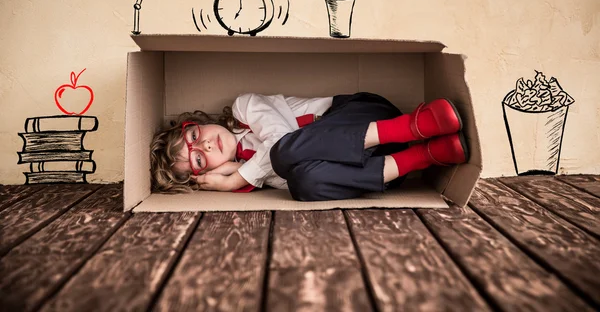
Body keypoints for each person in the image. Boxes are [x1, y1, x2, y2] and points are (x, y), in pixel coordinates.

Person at [149, 92, 468, 201]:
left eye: (192, 138)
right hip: (384, 169)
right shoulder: (255, 179)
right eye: (200, 161)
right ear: (206, 176)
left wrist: (237, 178)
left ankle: (415, 125)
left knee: (284, 153)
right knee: (302, 184)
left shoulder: (244, 107)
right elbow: (294, 173)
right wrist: (239, 177)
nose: (204, 145)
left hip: (367, 117)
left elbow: (281, 142)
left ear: (195, 123)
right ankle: (425, 155)